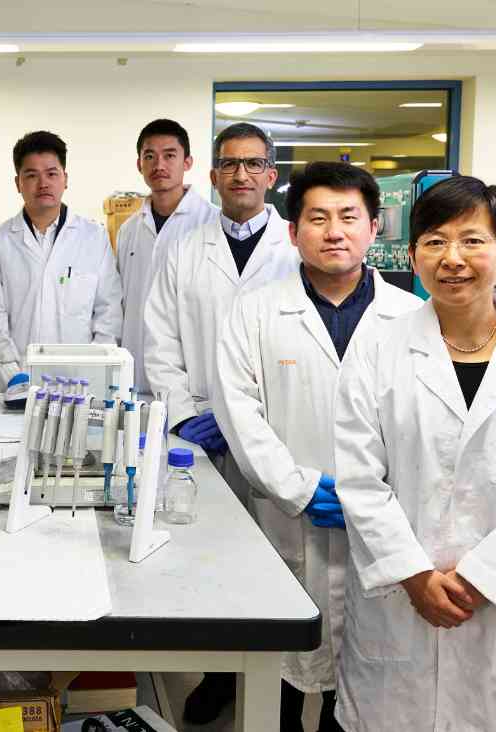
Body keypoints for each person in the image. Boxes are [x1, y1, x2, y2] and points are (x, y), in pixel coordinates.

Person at [333, 176, 496, 731]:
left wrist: (480, 579)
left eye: (472, 241)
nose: (452, 259)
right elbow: (359, 477)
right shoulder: (376, 347)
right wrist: (413, 576)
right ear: (412, 254)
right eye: (434, 241)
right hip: (399, 612)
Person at [212, 162, 423, 731]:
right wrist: (298, 487)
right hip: (286, 519)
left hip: (381, 523)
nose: (335, 231)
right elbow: (239, 413)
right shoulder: (253, 312)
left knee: (363, 676)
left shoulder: (412, 319)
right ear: (293, 230)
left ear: (374, 228)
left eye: (349, 217)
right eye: (319, 218)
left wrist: (377, 496)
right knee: (277, 671)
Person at [143, 121, 300, 723]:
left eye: (252, 164)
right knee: (209, 557)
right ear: (212, 175)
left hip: (276, 431)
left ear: (271, 175)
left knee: (280, 558)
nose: (240, 174)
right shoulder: (183, 248)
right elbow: (161, 339)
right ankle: (217, 674)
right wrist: (184, 413)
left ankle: (276, 680)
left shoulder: (294, 249)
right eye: (229, 164)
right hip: (202, 432)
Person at [0, 130, 123, 396]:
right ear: (18, 183)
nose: (43, 183)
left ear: (65, 179)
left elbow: (109, 311)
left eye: (51, 173)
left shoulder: (93, 238)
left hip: (82, 388)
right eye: (32, 175)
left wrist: (94, 369)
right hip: (18, 384)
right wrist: (11, 373)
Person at [116, 119, 217, 394]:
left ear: (188, 162)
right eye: (150, 156)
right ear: (139, 165)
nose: (159, 165)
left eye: (170, 155)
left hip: (191, 378)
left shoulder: (212, 223)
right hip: (134, 373)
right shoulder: (129, 229)